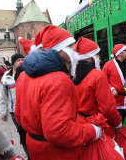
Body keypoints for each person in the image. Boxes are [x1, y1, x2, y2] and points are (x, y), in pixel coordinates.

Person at [15, 25, 102, 160]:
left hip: (34, 146)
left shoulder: (23, 76)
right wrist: (93, 131)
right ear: (59, 51)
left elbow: (19, 116)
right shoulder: (59, 80)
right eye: (70, 46)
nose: (75, 50)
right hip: (57, 152)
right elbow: (60, 132)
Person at [73, 37, 122, 138]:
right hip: (99, 126)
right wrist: (118, 124)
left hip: (80, 126)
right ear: (90, 57)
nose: (99, 57)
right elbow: (108, 108)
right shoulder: (97, 75)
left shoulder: (71, 75)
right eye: (97, 54)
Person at [102, 44, 126, 133]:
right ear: (119, 53)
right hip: (117, 101)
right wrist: (111, 88)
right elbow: (103, 80)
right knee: (117, 125)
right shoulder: (108, 65)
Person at [0, 53, 24, 122]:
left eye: (22, 60)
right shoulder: (6, 76)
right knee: (21, 131)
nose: (21, 62)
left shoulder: (30, 73)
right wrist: (3, 112)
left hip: (30, 110)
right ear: (13, 63)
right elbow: (1, 95)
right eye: (18, 60)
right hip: (14, 111)